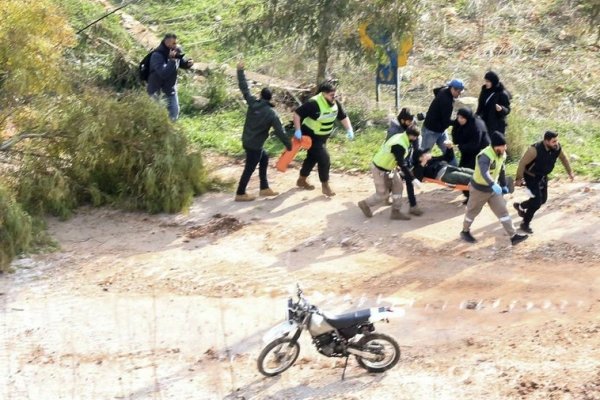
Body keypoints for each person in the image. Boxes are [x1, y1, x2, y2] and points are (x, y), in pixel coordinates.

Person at [234, 61, 292, 202]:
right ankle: (240, 193)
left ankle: (264, 188)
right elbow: (280, 132)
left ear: (260, 95)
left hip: (247, 141)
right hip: (255, 146)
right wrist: (289, 146)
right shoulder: (272, 114)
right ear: (271, 98)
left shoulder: (253, 103)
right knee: (249, 168)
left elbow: (244, 88)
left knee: (264, 157)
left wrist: (240, 71)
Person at [460, 131, 528, 245]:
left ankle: (513, 236)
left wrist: (503, 184)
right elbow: (484, 172)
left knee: (503, 211)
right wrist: (493, 184)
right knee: (472, 212)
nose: (505, 148)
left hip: (492, 190)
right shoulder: (485, 156)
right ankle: (465, 231)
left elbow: (501, 169)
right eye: (503, 146)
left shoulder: (502, 154)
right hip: (479, 190)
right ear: (496, 146)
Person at [293, 81, 354, 196]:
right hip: (311, 135)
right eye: (331, 95)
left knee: (312, 157)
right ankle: (325, 185)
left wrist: (349, 129)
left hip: (322, 137)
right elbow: (297, 114)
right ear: (324, 94)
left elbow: (343, 117)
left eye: (334, 95)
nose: (334, 97)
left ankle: (302, 179)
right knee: (324, 158)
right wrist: (297, 130)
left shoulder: (335, 103)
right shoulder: (313, 103)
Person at [513, 131, 574, 233]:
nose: (556, 143)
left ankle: (521, 206)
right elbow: (522, 163)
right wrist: (519, 178)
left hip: (542, 176)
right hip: (531, 177)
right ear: (546, 141)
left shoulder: (556, 148)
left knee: (543, 200)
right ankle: (525, 223)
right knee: (536, 202)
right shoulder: (534, 150)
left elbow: (563, 158)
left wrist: (570, 172)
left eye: (557, 140)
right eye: (553, 141)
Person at [357, 126, 422, 220]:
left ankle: (396, 212)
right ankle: (365, 204)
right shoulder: (399, 145)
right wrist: (413, 178)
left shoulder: (401, 137)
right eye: (415, 137)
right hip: (379, 169)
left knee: (398, 187)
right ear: (411, 135)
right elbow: (402, 164)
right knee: (382, 194)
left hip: (389, 168)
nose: (415, 139)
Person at [147, 33, 194, 121]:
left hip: (170, 89)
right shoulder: (156, 55)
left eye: (176, 43)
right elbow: (163, 73)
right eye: (174, 43)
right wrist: (172, 60)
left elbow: (182, 63)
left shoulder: (176, 51)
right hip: (157, 90)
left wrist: (188, 63)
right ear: (167, 43)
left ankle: (170, 132)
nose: (176, 45)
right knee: (157, 117)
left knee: (174, 113)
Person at [422, 79, 464, 165]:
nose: (459, 95)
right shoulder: (446, 102)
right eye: (458, 92)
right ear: (453, 89)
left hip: (440, 130)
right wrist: (458, 122)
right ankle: (413, 172)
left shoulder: (444, 90)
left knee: (449, 151)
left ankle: (455, 169)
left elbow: (435, 90)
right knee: (423, 155)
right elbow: (446, 122)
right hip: (431, 131)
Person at [452, 107, 490, 202]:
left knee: (473, 175)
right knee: (462, 174)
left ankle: (475, 196)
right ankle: (469, 196)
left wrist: (459, 147)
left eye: (462, 118)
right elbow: (455, 138)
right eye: (458, 117)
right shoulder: (460, 123)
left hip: (480, 152)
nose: (459, 120)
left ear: (467, 118)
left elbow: (475, 145)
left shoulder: (477, 126)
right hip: (467, 152)